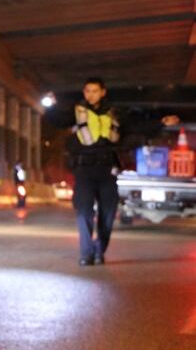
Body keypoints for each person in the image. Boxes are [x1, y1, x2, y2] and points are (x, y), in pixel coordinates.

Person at [45, 77, 179, 266]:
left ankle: (99, 250)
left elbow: (137, 126)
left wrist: (161, 122)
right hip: (84, 169)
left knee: (108, 213)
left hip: (107, 170)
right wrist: (50, 106)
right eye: (87, 91)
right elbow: (56, 120)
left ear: (102, 92)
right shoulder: (76, 112)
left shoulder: (116, 114)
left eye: (94, 91)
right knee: (83, 211)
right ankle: (86, 253)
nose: (90, 95)